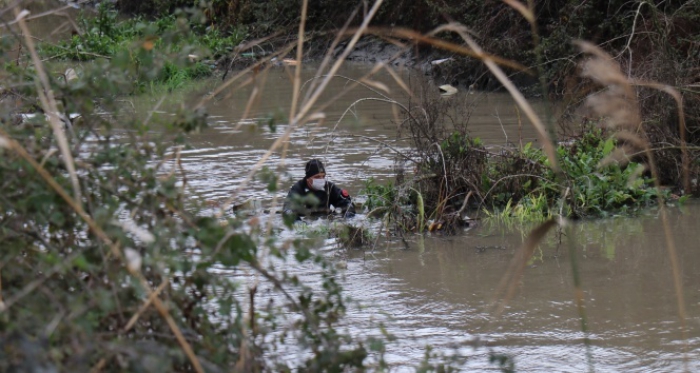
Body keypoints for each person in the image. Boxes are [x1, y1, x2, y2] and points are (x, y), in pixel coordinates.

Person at [282, 159, 355, 219]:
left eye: (323, 176)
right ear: (308, 179)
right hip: (305, 220)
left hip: (325, 219)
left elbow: (347, 204)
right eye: (317, 177)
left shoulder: (329, 187)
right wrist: (300, 224)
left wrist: (347, 218)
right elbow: (287, 210)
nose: (321, 179)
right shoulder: (298, 189)